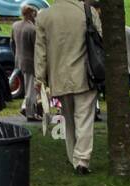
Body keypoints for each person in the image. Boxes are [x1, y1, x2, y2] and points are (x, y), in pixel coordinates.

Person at [35, 0, 102, 174]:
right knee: (85, 119)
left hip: (59, 77)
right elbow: (100, 40)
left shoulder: (44, 16)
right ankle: (82, 161)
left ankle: (74, 157)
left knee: (69, 120)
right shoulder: (88, 11)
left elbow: (40, 52)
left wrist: (40, 79)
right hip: (85, 74)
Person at [12, 4, 39, 122]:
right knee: (30, 89)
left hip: (19, 60)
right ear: (31, 14)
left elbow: (11, 43)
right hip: (30, 62)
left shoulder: (15, 25)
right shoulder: (32, 29)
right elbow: (37, 47)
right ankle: (30, 113)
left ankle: (27, 108)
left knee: (28, 87)